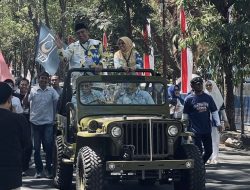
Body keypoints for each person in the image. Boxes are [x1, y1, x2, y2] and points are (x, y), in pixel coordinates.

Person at [26, 71, 59, 178]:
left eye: (45, 78)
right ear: (38, 79)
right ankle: (39, 170)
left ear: (48, 80)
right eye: (41, 78)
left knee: (48, 147)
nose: (43, 80)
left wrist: (55, 118)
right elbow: (24, 103)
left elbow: (56, 104)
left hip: (48, 123)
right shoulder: (32, 90)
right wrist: (27, 92)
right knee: (36, 149)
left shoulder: (52, 91)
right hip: (35, 123)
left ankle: (48, 169)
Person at [182, 77, 222, 164]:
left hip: (206, 129)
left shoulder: (208, 98)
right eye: (197, 84)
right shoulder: (188, 99)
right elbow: (185, 116)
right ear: (192, 86)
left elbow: (214, 111)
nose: (199, 85)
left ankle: (200, 166)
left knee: (209, 151)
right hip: (195, 130)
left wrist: (218, 124)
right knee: (198, 151)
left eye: (201, 84)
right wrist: (184, 129)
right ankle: (199, 168)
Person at [0, 82, 31, 190]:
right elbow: (27, 146)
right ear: (9, 99)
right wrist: (23, 166)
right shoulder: (19, 120)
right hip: (12, 174)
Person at [205, 80, 229, 164]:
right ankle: (208, 156)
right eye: (207, 85)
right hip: (206, 120)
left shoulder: (218, 96)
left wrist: (226, 120)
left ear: (213, 86)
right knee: (207, 139)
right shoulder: (204, 96)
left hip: (216, 120)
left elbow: (222, 110)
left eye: (210, 85)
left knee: (215, 139)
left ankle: (215, 157)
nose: (208, 87)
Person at [15, 78, 33, 175]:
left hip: (29, 120)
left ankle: (24, 166)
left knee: (28, 144)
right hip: (18, 120)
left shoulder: (31, 95)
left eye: (26, 85)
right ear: (19, 85)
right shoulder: (15, 95)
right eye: (22, 84)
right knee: (19, 144)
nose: (24, 86)